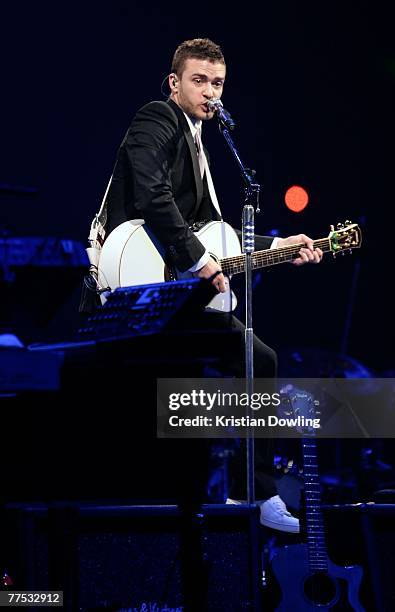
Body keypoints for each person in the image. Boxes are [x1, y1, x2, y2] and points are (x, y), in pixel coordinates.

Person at [95, 38, 323, 532]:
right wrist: (200, 263)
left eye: (217, 83)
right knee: (249, 358)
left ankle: (254, 491)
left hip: (173, 286)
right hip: (132, 286)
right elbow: (154, 198)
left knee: (257, 357)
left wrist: (283, 243)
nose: (210, 92)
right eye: (199, 80)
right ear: (175, 82)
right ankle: (243, 490)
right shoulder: (156, 119)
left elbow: (215, 236)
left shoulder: (201, 145)